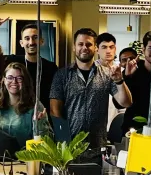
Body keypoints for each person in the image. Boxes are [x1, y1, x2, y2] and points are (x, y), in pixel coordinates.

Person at [50, 28, 131, 158]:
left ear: (95, 48)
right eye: (80, 44)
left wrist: (119, 80)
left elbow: (125, 102)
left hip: (97, 147)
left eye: (88, 44)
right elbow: (55, 110)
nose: (84, 48)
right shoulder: (62, 75)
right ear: (74, 48)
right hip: (70, 148)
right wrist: (63, 141)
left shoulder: (106, 74)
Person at [0, 14, 57, 110]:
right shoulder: (11, 62)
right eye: (27, 38)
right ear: (21, 43)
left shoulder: (51, 68)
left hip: (41, 116)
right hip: (14, 115)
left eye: (35, 37)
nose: (31, 42)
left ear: (42, 41)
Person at [0, 62, 49, 148]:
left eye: (19, 78)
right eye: (10, 78)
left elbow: (46, 144)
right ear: (4, 80)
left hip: (26, 159)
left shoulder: (35, 106)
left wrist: (40, 125)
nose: (14, 82)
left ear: (25, 81)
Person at [120, 30, 151, 137]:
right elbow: (118, 103)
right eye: (150, 48)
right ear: (143, 50)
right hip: (132, 130)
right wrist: (127, 78)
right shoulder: (132, 70)